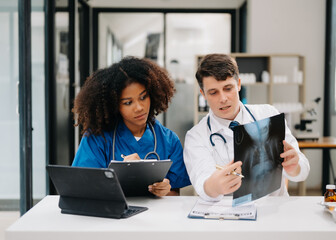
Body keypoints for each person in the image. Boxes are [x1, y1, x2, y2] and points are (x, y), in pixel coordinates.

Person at [183, 53, 310, 201]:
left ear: (238, 84)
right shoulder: (196, 136)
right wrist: (215, 186)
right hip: (229, 215)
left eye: (228, 88)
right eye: (213, 92)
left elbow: (303, 171)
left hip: (275, 211)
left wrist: (294, 167)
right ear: (203, 94)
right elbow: (202, 181)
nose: (223, 99)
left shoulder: (268, 115)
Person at [72, 56, 191, 197]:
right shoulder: (97, 138)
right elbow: (80, 188)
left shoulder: (169, 141)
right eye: (128, 103)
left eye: (143, 97)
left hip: (155, 217)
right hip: (111, 215)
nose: (139, 108)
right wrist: (117, 176)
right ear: (114, 106)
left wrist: (165, 190)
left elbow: (175, 194)